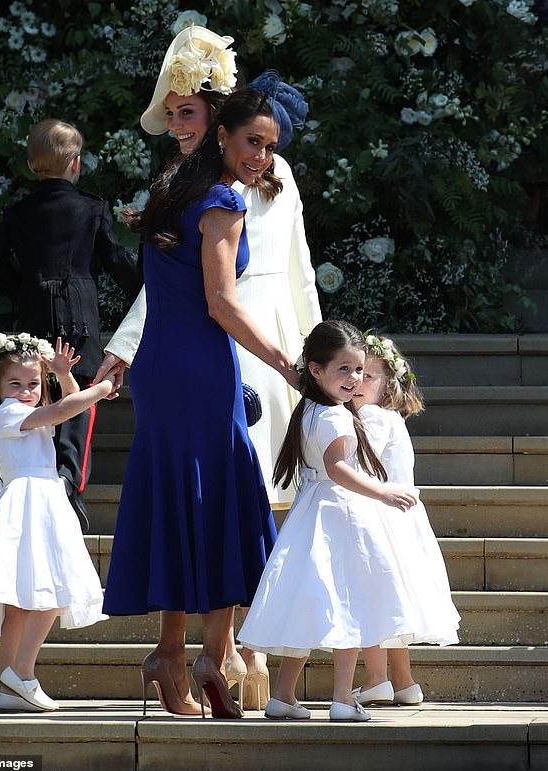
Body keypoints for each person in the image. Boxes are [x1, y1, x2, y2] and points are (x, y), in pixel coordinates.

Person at [96, 26, 321, 709]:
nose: (262, 154)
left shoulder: (171, 186)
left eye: (269, 145)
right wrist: (290, 363)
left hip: (167, 365)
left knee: (183, 499)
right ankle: (206, 659)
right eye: (252, 141)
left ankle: (179, 655)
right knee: (221, 501)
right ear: (224, 135)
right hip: (202, 361)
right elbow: (222, 303)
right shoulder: (221, 201)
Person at [238, 320, 437, 722]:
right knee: (348, 603)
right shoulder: (337, 416)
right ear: (315, 369)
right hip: (342, 512)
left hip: (311, 512)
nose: (355, 378)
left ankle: (284, 696)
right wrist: (383, 491)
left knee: (308, 601)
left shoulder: (310, 407)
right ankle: (344, 699)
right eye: (344, 369)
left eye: (360, 370)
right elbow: (338, 467)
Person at [0, 119, 142, 532]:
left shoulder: (18, 212)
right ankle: (69, 479)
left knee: (40, 394)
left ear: (34, 164)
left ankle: (50, 476)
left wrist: (19, 289)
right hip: (80, 316)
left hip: (34, 316)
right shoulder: (91, 207)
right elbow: (117, 262)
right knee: (80, 399)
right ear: (76, 163)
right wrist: (147, 288)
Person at [0, 333, 119, 712]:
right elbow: (62, 411)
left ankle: (10, 688)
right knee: (51, 591)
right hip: (30, 502)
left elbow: (69, 408)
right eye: (15, 383)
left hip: (41, 500)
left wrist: (63, 376)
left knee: (22, 604)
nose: (25, 391)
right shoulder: (8, 414)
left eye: (34, 384)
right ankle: (22, 672)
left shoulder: (29, 413)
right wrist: (103, 386)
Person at [350, 333, 460, 707]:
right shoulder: (389, 417)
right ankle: (404, 681)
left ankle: (377, 678)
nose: (358, 382)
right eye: (355, 372)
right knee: (393, 603)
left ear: (388, 385)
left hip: (380, 518)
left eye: (369, 376)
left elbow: (358, 466)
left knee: (373, 599)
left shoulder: (371, 417)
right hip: (400, 520)